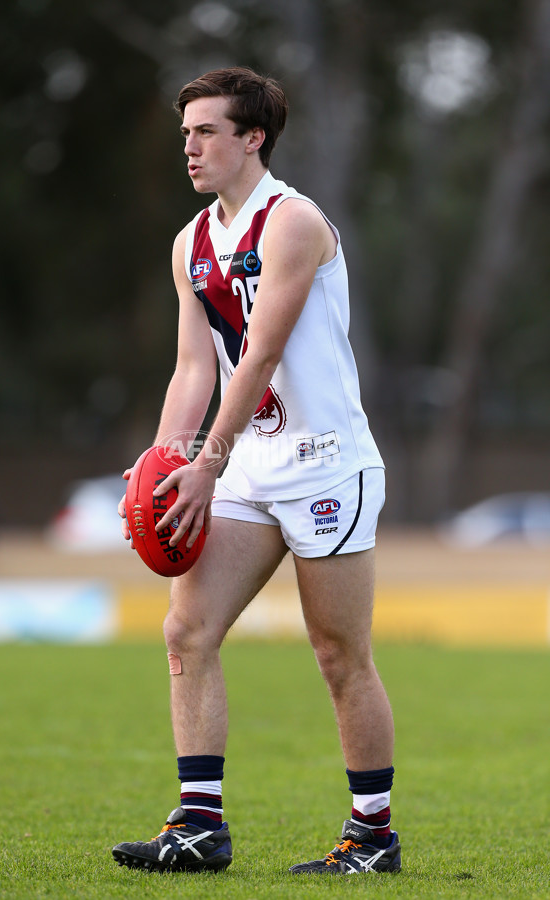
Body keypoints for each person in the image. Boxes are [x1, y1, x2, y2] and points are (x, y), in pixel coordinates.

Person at [112, 66, 400, 877]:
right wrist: (168, 460)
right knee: (186, 632)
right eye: (185, 134)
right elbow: (194, 367)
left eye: (206, 131)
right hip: (245, 468)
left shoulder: (294, 222)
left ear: (252, 138)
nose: (190, 147)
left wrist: (208, 460)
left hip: (322, 465)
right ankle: (199, 827)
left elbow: (264, 350)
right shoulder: (190, 243)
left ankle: (372, 836)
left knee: (339, 655)